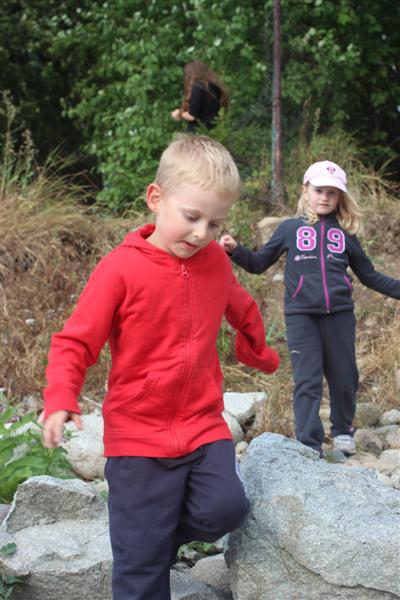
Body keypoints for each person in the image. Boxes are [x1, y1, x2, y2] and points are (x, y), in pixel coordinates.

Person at [41, 134, 280, 600]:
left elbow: (241, 306)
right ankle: (144, 547)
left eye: (215, 223)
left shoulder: (214, 261)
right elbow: (75, 341)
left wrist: (258, 352)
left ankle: (151, 537)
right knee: (140, 574)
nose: (202, 233)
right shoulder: (120, 269)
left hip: (201, 425)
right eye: (191, 217)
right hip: (138, 437)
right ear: (156, 198)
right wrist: (60, 396)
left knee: (226, 509)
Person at [220, 160, 400, 458]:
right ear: (305, 191)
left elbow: (369, 276)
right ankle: (309, 443)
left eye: (332, 192)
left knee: (345, 377)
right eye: (319, 190)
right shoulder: (289, 229)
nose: (325, 197)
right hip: (301, 316)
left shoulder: (345, 234)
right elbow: (259, 264)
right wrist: (236, 250)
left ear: (340, 196)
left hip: (340, 315)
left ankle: (342, 431)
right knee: (308, 379)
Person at [171, 60, 229, 132]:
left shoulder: (197, 88)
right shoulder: (215, 87)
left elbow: (192, 116)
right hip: (213, 129)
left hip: (198, 131)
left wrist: (179, 114)